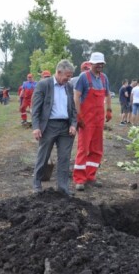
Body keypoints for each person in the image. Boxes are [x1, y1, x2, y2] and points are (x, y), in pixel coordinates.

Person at [31, 59, 77, 196]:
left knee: (64, 158)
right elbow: (36, 108)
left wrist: (74, 124)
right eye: (67, 76)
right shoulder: (44, 85)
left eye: (70, 76)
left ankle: (63, 188)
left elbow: (73, 109)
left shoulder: (69, 87)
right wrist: (36, 127)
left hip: (65, 128)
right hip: (49, 126)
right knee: (43, 156)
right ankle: (37, 184)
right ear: (58, 72)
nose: (69, 79)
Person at [73, 52, 112, 191]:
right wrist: (78, 115)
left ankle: (91, 176)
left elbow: (107, 94)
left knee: (96, 148)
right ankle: (79, 179)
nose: (100, 66)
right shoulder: (84, 77)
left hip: (98, 119)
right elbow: (76, 96)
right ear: (91, 64)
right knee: (83, 148)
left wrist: (109, 109)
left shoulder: (104, 78)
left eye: (102, 63)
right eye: (97, 64)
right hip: (86, 119)